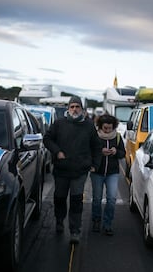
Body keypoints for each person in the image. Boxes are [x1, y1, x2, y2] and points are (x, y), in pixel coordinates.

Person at [43, 96, 102, 244]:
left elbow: (96, 146)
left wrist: (95, 163)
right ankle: (59, 220)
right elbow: (47, 139)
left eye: (77, 106)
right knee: (59, 198)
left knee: (76, 201)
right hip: (61, 169)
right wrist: (57, 151)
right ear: (68, 109)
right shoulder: (59, 123)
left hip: (80, 171)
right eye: (72, 106)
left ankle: (75, 231)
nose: (74, 109)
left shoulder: (89, 126)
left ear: (82, 109)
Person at [91, 114, 125, 236]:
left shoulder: (117, 137)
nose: (107, 130)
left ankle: (107, 224)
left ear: (113, 127)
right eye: (105, 128)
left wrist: (116, 152)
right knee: (96, 198)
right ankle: (96, 220)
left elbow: (123, 153)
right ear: (100, 126)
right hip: (97, 172)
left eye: (110, 128)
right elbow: (89, 152)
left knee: (111, 199)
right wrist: (100, 152)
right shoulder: (95, 136)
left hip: (112, 172)